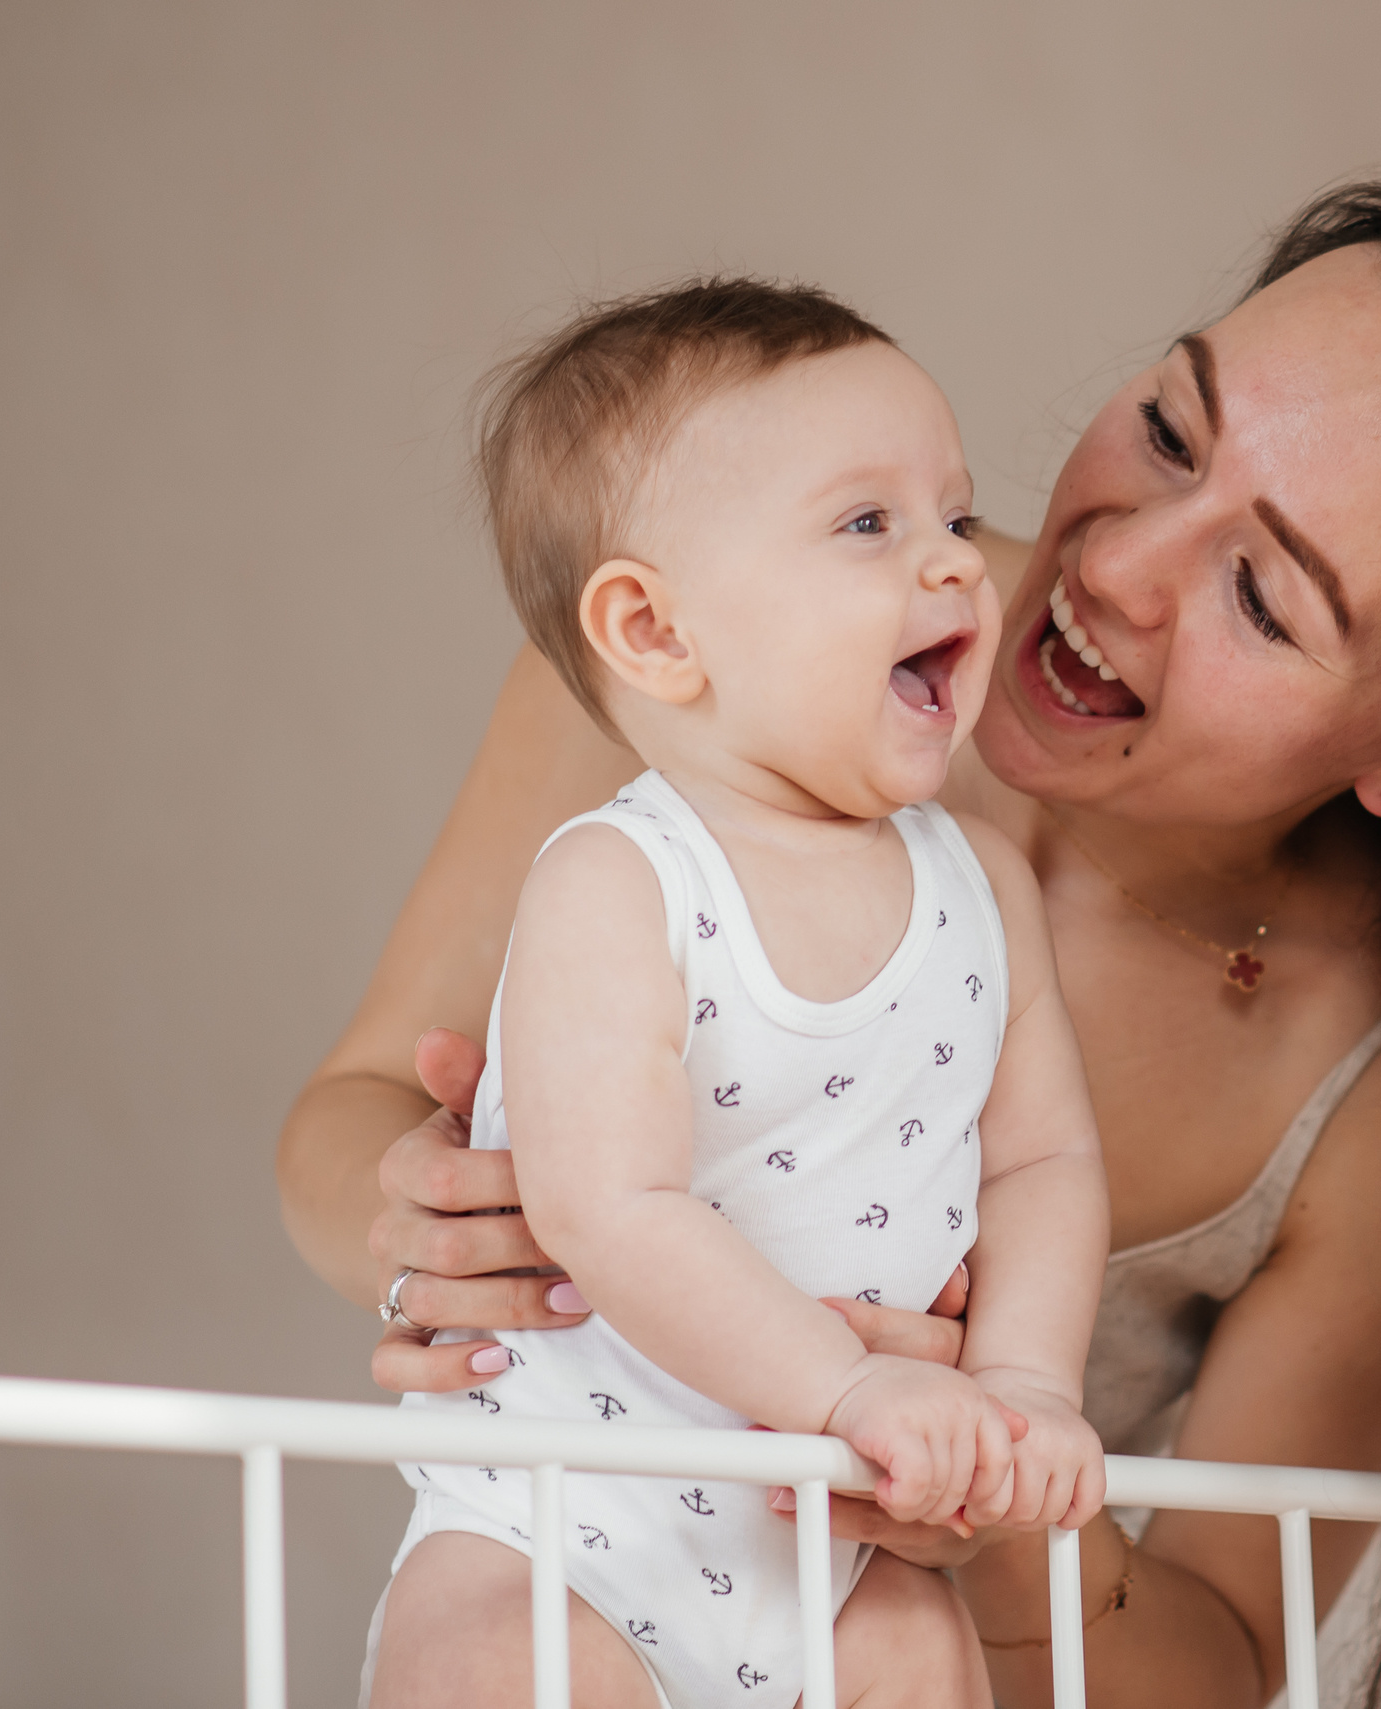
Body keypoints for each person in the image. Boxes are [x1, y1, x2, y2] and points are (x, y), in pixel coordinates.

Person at [282, 160, 1381, 1709]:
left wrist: (973, 1503)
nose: (1110, 568)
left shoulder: (1378, 1103)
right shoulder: (720, 639)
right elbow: (349, 1111)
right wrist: (445, 1233)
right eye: (1175, 430)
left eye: (1264, 594)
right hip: (573, 1544)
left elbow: (1216, 1650)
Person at [364, 280, 1109, 1709]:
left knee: (929, 1663)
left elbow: (1045, 1158)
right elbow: (609, 1207)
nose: (955, 565)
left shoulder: (983, 887)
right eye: (867, 524)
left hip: (841, 1543)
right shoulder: (618, 881)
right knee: (487, 1664)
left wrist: (1026, 1386)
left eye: (954, 515)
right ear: (654, 633)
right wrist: (846, 1387)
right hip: (567, 1522)